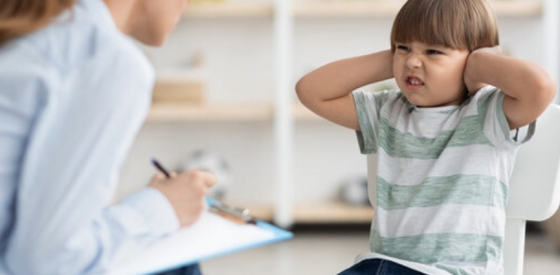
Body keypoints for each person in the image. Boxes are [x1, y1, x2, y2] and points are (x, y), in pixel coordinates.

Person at [296, 0, 556, 274]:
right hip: (381, 265)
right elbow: (310, 90)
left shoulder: (487, 113)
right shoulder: (385, 111)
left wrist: (480, 64)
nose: (413, 61)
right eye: (403, 47)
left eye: (434, 51)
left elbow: (540, 86)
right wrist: (394, 60)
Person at [0, 0, 217, 275]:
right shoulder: (104, 56)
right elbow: (49, 260)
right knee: (179, 264)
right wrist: (162, 207)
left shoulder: (40, 31)